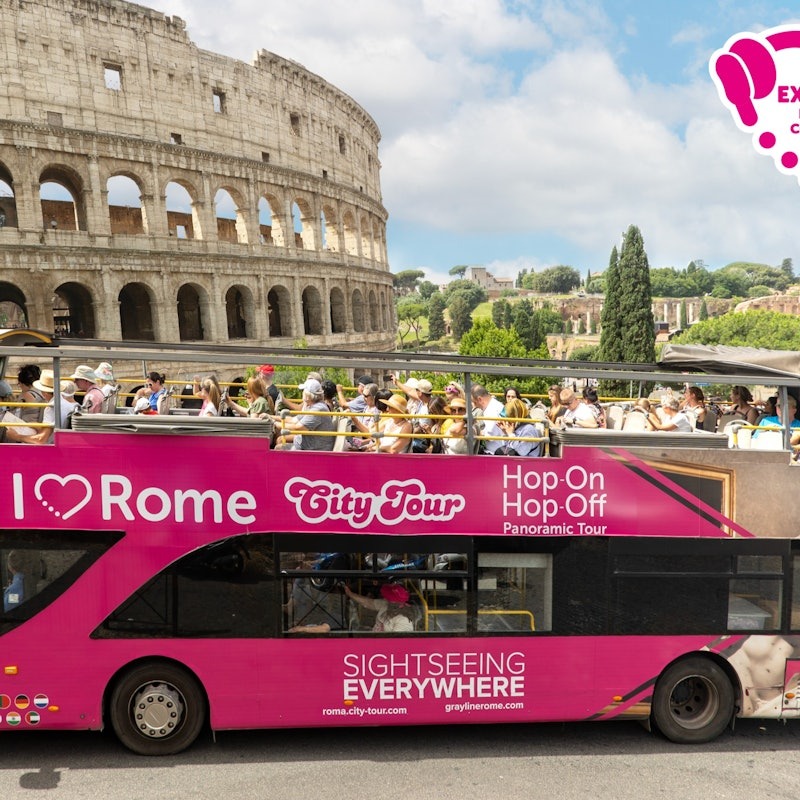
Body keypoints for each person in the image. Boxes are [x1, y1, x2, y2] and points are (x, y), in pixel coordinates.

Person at [272, 378, 336, 451]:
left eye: (303, 391)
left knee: (278, 448)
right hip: (307, 445)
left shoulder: (318, 409)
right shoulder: (312, 406)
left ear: (307, 396)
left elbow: (298, 427)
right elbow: (293, 420)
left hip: (313, 450)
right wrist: (271, 417)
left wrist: (275, 424)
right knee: (279, 442)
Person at [344, 583, 415, 633]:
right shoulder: (386, 605)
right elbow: (368, 602)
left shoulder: (403, 620)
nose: (385, 598)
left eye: (389, 598)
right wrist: (350, 594)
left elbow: (395, 643)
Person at [470, 384, 505, 454]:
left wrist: (473, 432)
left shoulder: (491, 410)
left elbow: (489, 436)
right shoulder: (495, 405)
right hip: (499, 448)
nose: (474, 405)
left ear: (480, 399)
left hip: (495, 452)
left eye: (474, 402)